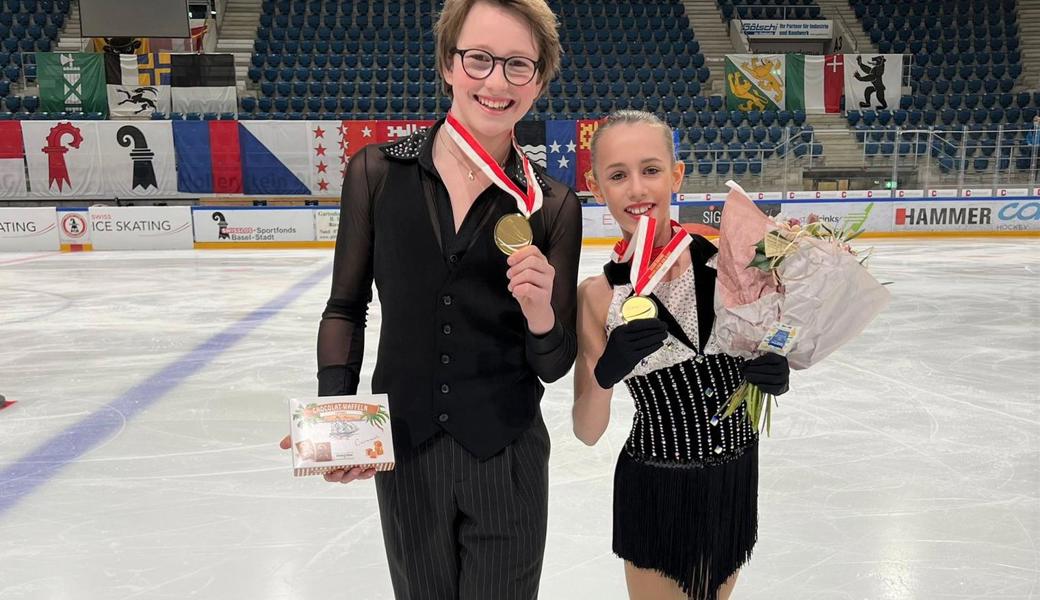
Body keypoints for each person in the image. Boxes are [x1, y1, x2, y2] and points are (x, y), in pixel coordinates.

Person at [280, 1, 581, 598]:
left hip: (508, 456)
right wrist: (336, 418)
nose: (496, 82)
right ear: (448, 64)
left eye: (518, 65)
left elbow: (553, 364)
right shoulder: (377, 173)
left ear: (540, 81)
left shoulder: (550, 205)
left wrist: (542, 312)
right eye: (479, 59)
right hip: (408, 450)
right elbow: (346, 307)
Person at [572, 111, 790, 600]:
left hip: (735, 476)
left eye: (650, 170)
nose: (636, 189)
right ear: (595, 185)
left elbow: (770, 344)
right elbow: (586, 432)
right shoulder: (598, 296)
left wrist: (773, 375)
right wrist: (605, 374)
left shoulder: (732, 268)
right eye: (618, 175)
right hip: (656, 487)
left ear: (677, 173)